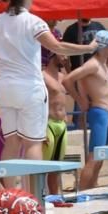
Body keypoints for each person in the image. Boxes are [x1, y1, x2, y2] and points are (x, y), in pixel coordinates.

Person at [0, 0, 96, 170]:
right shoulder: (34, 21)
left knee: (11, 142)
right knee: (33, 143)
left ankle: (8, 192)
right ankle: (33, 192)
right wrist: (89, 48)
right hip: (29, 87)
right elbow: (57, 46)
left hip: (5, 87)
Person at [63, 30, 108, 191]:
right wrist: (80, 100)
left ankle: (93, 187)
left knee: (101, 155)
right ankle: (83, 191)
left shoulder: (103, 64)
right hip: (99, 112)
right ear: (103, 47)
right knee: (94, 156)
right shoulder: (93, 64)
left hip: (105, 112)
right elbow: (68, 79)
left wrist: (82, 93)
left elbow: (81, 81)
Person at [42, 48, 69, 195]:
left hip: (62, 124)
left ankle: (55, 196)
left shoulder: (62, 76)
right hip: (48, 123)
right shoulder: (42, 76)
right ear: (52, 55)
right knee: (44, 166)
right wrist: (39, 130)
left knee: (57, 166)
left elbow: (75, 83)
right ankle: (40, 196)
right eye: (62, 53)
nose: (65, 57)